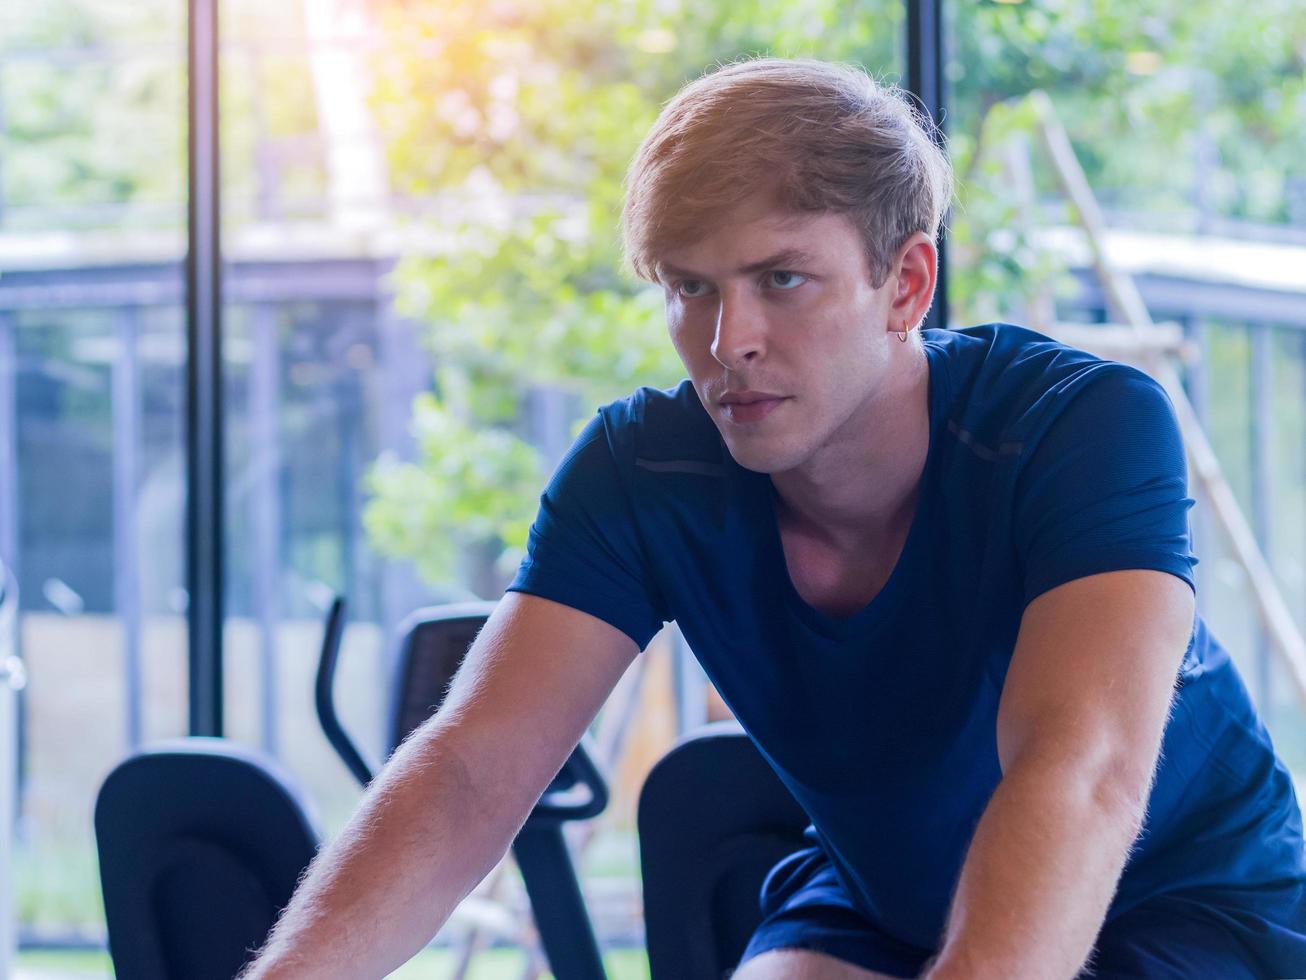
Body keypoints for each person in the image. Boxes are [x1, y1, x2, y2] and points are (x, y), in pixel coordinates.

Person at [243, 57, 1306, 980]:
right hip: (884, 895)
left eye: (781, 278)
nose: (727, 340)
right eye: (691, 287)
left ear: (906, 282)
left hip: (1187, 897)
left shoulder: (1081, 424)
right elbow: (472, 769)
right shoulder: (639, 470)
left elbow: (1080, 770)